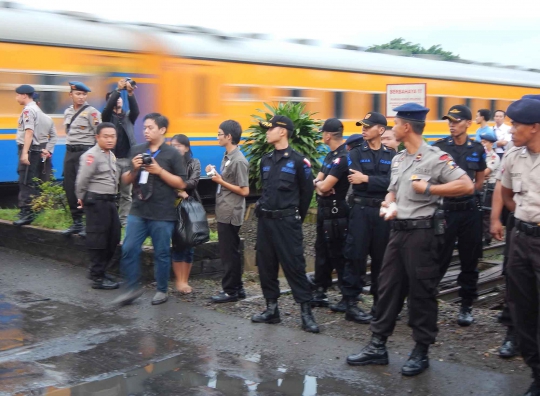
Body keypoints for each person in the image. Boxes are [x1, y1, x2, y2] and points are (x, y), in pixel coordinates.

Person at [347, 103, 474, 376]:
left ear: (406, 127)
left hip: (423, 234)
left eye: (395, 124)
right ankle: (377, 345)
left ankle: (421, 350)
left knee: (421, 293)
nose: (392, 129)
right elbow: (392, 191)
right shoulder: (399, 159)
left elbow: (466, 185)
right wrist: (388, 202)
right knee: (388, 288)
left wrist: (430, 187)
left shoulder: (436, 158)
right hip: (398, 232)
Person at [251, 115, 319, 333]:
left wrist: (292, 213)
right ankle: (272, 309)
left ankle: (306, 312)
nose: (267, 132)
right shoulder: (266, 159)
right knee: (266, 266)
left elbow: (307, 193)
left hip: (287, 222)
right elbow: (267, 189)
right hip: (266, 222)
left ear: (282, 131)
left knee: (295, 266)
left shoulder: (299, 161)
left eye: (270, 129)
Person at [112, 113, 187, 306]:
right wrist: (135, 169)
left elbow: (181, 183)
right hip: (139, 209)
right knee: (128, 248)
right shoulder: (137, 150)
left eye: (150, 128)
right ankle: (131, 287)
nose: (146, 131)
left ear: (162, 130)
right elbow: (125, 180)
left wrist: (159, 171)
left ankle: (161, 290)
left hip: (162, 213)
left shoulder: (173, 154)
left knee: (161, 252)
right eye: (144, 128)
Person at [499, 98, 540, 396]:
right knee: (522, 308)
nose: (511, 130)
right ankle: (537, 373)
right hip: (520, 239)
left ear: (535, 128)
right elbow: (507, 195)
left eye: (517, 125)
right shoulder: (513, 156)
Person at [433, 105, 486, 326]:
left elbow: (480, 179)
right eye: (449, 121)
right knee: (438, 257)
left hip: (469, 212)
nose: (452, 125)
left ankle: (466, 306)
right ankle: (427, 301)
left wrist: (468, 192)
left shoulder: (477, 148)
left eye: (456, 121)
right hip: (446, 210)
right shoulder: (439, 148)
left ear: (468, 123)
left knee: (469, 259)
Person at [341, 112, 396, 321]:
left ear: (381, 130)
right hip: (361, 211)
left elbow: (393, 183)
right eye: (362, 125)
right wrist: (371, 180)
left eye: (368, 126)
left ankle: (379, 303)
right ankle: (351, 304)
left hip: (382, 211)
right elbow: (355, 179)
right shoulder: (355, 153)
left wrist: (366, 178)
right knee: (355, 256)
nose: (363, 129)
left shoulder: (391, 155)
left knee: (382, 259)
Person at [75, 122, 121, 290]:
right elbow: (82, 179)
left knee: (113, 236)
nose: (110, 140)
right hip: (96, 202)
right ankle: (97, 276)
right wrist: (80, 197)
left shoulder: (110, 155)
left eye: (113, 136)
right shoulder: (91, 156)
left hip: (109, 201)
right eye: (106, 136)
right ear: (97, 138)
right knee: (98, 238)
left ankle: (101, 270)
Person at [208, 120, 250, 303]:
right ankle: (238, 288)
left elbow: (244, 190)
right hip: (225, 209)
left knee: (228, 253)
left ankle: (230, 290)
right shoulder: (228, 156)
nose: (217, 137)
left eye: (219, 133)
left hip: (231, 212)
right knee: (231, 251)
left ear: (228, 136)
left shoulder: (239, 160)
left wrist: (220, 181)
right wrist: (216, 174)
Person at [310, 118, 349, 309]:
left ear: (328, 135)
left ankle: (346, 296)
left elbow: (324, 184)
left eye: (322, 133)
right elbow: (319, 183)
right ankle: (321, 290)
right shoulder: (329, 156)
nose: (322, 136)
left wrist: (321, 185)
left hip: (337, 212)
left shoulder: (343, 157)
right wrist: (320, 186)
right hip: (324, 209)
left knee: (338, 253)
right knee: (321, 250)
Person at [62, 82, 102, 236]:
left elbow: (98, 135)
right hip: (70, 152)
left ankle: (89, 223)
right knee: (70, 186)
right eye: (78, 94)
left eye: (84, 94)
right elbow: (68, 133)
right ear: (70, 95)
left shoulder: (92, 113)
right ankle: (77, 222)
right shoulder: (68, 112)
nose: (81, 97)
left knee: (85, 187)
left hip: (85, 152)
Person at [102, 78, 140, 227]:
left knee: (126, 194)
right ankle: (109, 220)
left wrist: (130, 93)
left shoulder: (128, 117)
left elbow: (136, 110)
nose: (118, 100)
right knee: (109, 192)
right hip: (112, 159)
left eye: (120, 99)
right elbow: (107, 109)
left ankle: (123, 221)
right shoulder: (107, 117)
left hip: (128, 160)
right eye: (115, 99)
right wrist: (117, 90)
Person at [171, 134, 201, 294]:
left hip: (190, 209)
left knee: (189, 245)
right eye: (173, 145)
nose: (175, 149)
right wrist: (179, 192)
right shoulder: (169, 163)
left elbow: (194, 181)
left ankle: (185, 280)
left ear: (186, 147)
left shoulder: (194, 162)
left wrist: (178, 187)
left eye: (178, 146)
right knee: (177, 245)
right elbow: (164, 182)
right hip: (173, 209)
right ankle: (179, 281)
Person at [13, 84, 40, 226]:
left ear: (24, 95)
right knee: (27, 179)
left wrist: (24, 153)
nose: (16, 97)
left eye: (17, 94)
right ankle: (27, 210)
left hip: (28, 149)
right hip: (32, 149)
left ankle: (27, 213)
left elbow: (29, 132)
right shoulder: (34, 109)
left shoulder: (29, 110)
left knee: (25, 180)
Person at [479, 132, 500, 246]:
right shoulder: (480, 156)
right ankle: (481, 235)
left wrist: (481, 174)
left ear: (491, 144)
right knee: (479, 212)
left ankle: (487, 238)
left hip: (489, 187)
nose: (483, 145)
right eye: (482, 142)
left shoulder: (493, 157)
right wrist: (480, 174)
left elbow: (485, 172)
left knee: (486, 212)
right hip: (481, 186)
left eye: (485, 142)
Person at [33, 93, 57, 183]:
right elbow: (54, 137)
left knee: (30, 179)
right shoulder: (48, 119)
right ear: (39, 103)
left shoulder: (24, 118)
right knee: (45, 179)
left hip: (31, 150)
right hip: (44, 149)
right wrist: (47, 150)